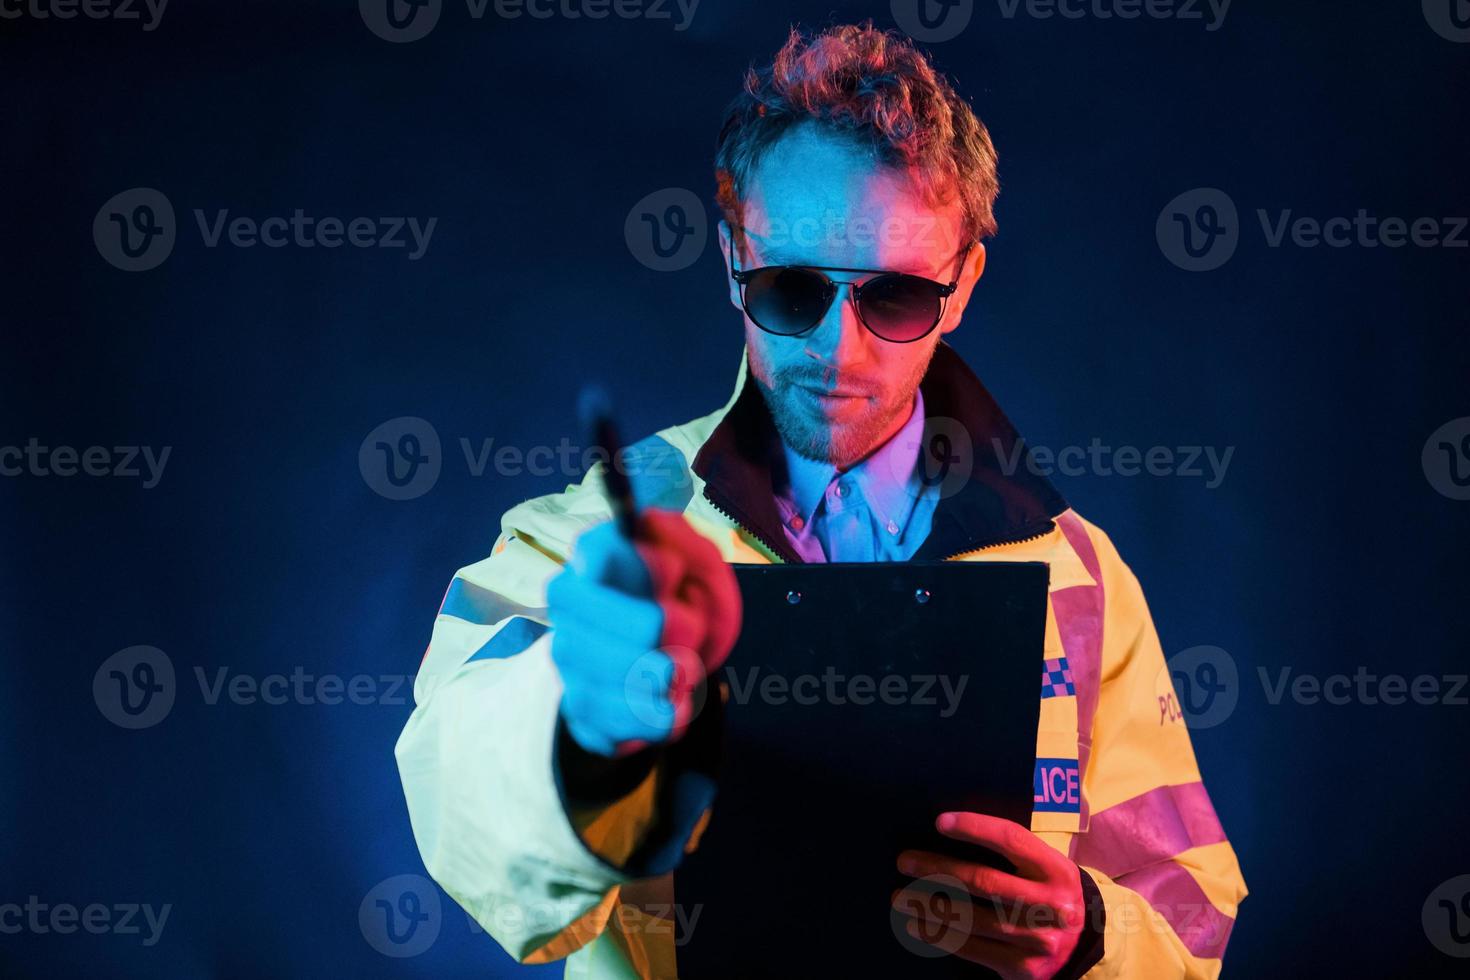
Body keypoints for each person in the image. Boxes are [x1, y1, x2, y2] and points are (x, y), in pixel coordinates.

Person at [395, 23, 1246, 979]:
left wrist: (1089, 929)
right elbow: (451, 794)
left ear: (961, 282)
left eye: (893, 298)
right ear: (730, 263)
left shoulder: (1077, 570)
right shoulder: (599, 539)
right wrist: (579, 719)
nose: (838, 354)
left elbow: (1188, 910)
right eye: (792, 289)